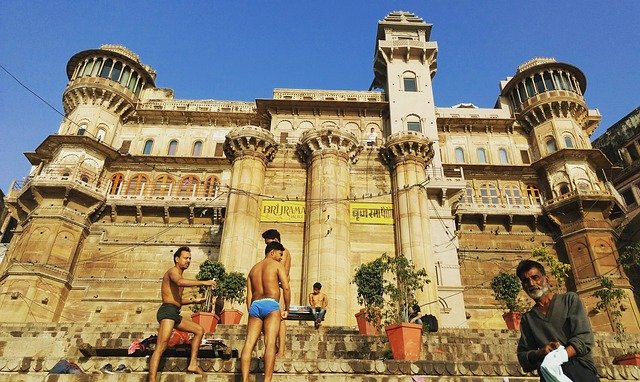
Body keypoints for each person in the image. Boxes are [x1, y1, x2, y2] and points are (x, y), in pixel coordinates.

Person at [516, 259, 600, 382]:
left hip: (578, 367)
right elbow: (523, 357)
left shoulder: (569, 300)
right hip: (549, 375)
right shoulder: (528, 318)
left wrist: (560, 356)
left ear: (546, 279)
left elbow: (584, 338)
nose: (532, 283)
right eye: (526, 281)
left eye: (535, 277)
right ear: (523, 286)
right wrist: (541, 353)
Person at [148, 246, 217, 382]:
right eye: (186, 258)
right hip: (167, 311)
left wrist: (195, 301)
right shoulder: (173, 272)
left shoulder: (179, 274)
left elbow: (177, 300)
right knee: (161, 346)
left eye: (190, 258)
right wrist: (204, 282)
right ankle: (151, 379)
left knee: (199, 330)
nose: (188, 261)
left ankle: (192, 364)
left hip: (174, 312)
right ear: (177, 259)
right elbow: (180, 283)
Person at [241, 241, 291, 382]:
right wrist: (287, 308)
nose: (281, 258)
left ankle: (245, 379)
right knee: (270, 343)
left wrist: (251, 311)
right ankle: (267, 380)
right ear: (272, 252)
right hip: (271, 304)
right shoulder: (277, 266)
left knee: (249, 343)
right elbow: (286, 288)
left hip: (255, 306)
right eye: (280, 255)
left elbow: (249, 296)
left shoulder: (253, 269)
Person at [261, 229, 291, 357]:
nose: (268, 246)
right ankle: (273, 348)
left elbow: (280, 272)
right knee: (269, 318)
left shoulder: (282, 253)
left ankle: (282, 351)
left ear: (276, 240)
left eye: (269, 243)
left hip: (278, 288)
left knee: (280, 319)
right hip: (270, 290)